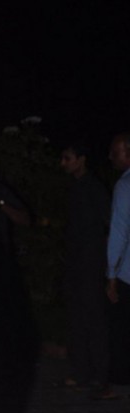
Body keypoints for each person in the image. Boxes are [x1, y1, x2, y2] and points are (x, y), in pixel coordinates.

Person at [59, 143, 113, 398]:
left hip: (91, 265)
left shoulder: (94, 188)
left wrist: (104, 261)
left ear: (81, 159)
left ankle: (101, 377)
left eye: (67, 158)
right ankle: (81, 372)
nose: (63, 163)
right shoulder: (75, 188)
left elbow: (109, 223)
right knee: (77, 319)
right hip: (76, 264)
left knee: (94, 320)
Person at [106, 132, 130, 386]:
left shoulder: (124, 186)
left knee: (121, 330)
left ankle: (119, 383)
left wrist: (111, 275)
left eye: (116, 152)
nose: (111, 157)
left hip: (128, 274)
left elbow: (119, 232)